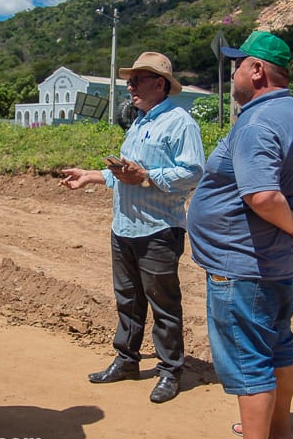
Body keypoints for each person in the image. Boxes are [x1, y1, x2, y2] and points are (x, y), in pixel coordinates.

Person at [187, 31, 293, 439]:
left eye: (238, 65)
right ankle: (279, 431)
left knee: (249, 359)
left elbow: (262, 195)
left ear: (258, 71)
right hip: (281, 262)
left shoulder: (256, 122)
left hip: (245, 265)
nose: (233, 74)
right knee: (278, 343)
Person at [60, 52, 205, 404]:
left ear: (160, 84)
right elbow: (125, 174)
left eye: (137, 80)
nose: (130, 86)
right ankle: (126, 360)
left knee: (163, 305)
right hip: (124, 227)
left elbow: (193, 172)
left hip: (158, 230)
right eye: (130, 80)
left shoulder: (180, 123)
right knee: (128, 300)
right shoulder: (138, 123)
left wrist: (147, 176)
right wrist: (91, 176)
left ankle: (170, 370)